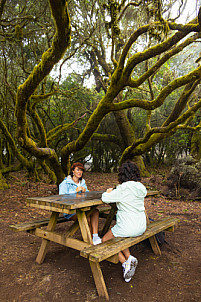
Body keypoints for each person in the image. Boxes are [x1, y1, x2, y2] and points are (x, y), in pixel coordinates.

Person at [101, 160, 147, 282]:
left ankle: (124, 263)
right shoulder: (141, 188)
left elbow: (105, 198)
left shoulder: (123, 188)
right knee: (118, 236)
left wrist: (108, 192)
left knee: (104, 241)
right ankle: (129, 257)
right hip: (141, 226)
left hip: (128, 227)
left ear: (122, 174)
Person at [59, 162, 102, 245]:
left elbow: (87, 194)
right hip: (71, 211)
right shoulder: (65, 183)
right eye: (78, 170)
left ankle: (95, 237)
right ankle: (89, 243)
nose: (80, 172)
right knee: (87, 218)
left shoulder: (82, 182)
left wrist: (86, 192)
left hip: (82, 208)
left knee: (95, 211)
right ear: (73, 171)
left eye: (81, 170)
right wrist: (74, 192)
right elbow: (61, 198)